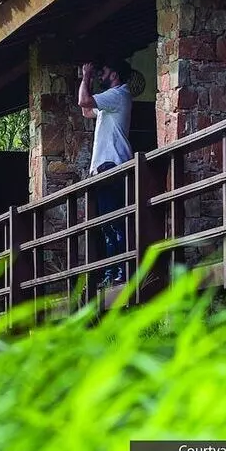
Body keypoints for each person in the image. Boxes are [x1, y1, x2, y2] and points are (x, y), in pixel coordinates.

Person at [77, 59, 133, 287]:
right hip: (104, 167)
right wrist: (84, 79)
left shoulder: (118, 94)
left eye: (105, 69)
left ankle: (121, 271)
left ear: (115, 74)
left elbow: (83, 100)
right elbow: (86, 111)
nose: (102, 74)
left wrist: (86, 77)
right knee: (108, 224)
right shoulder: (111, 100)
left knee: (114, 221)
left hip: (112, 165)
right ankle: (112, 272)